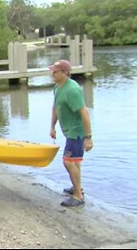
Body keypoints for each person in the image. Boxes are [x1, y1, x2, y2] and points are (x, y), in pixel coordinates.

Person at [49, 60, 93, 207]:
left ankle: (78, 197)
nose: (52, 74)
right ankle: (77, 188)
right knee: (75, 161)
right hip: (68, 130)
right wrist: (52, 127)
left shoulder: (72, 90)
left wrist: (88, 138)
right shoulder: (57, 87)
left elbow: (85, 113)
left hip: (77, 132)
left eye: (56, 71)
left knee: (68, 161)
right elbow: (56, 107)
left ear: (65, 73)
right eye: (52, 71)